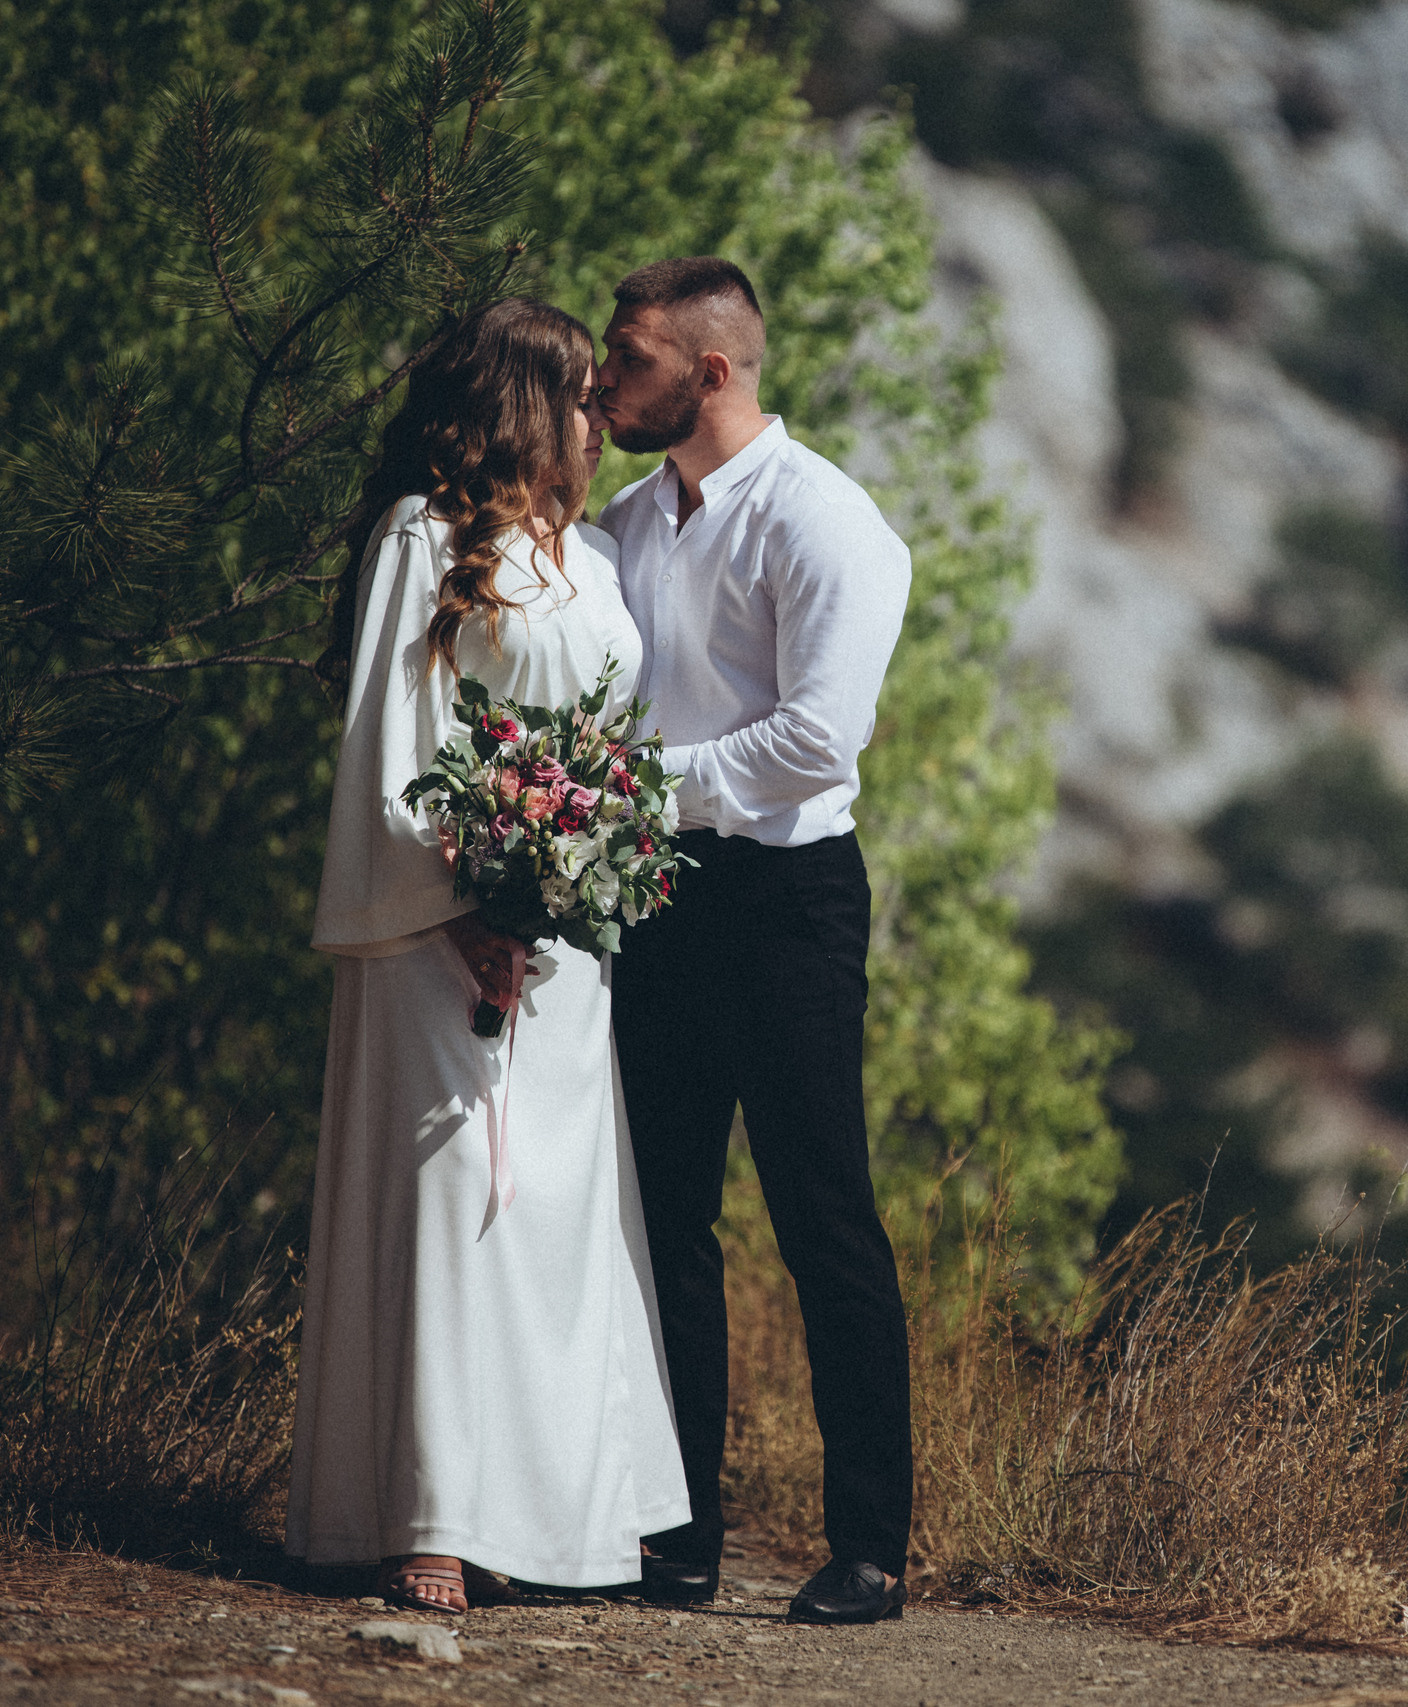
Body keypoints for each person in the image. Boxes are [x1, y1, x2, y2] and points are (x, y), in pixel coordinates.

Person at [289, 296, 691, 1615]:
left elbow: (606, 749)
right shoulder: (427, 534)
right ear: (523, 402)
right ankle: (432, 1518)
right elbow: (394, 737)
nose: (600, 419)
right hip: (436, 934)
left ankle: (552, 1512)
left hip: (567, 942)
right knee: (461, 1196)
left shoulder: (589, 556)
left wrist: (580, 865)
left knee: (557, 1216)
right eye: (580, 395)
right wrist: (460, 901)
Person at [594, 258, 915, 1626]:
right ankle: (679, 1539)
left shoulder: (830, 523)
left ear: (707, 373)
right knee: (663, 1219)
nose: (601, 387)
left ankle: (871, 1551)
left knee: (821, 1218)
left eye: (626, 360)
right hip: (657, 897)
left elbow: (815, 741)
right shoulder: (621, 522)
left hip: (788, 904)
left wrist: (626, 793)